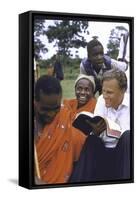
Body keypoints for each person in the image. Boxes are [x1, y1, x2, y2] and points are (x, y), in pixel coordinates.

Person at [69, 68, 130, 182]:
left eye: (110, 92)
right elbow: (96, 124)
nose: (105, 96)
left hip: (124, 156)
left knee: (128, 136)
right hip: (104, 153)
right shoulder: (102, 100)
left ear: (123, 90)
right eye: (104, 91)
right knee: (92, 140)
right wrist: (95, 131)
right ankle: (76, 185)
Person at [34, 75, 87, 184]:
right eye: (45, 109)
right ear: (34, 101)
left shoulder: (63, 117)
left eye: (56, 109)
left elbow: (77, 138)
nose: (51, 114)